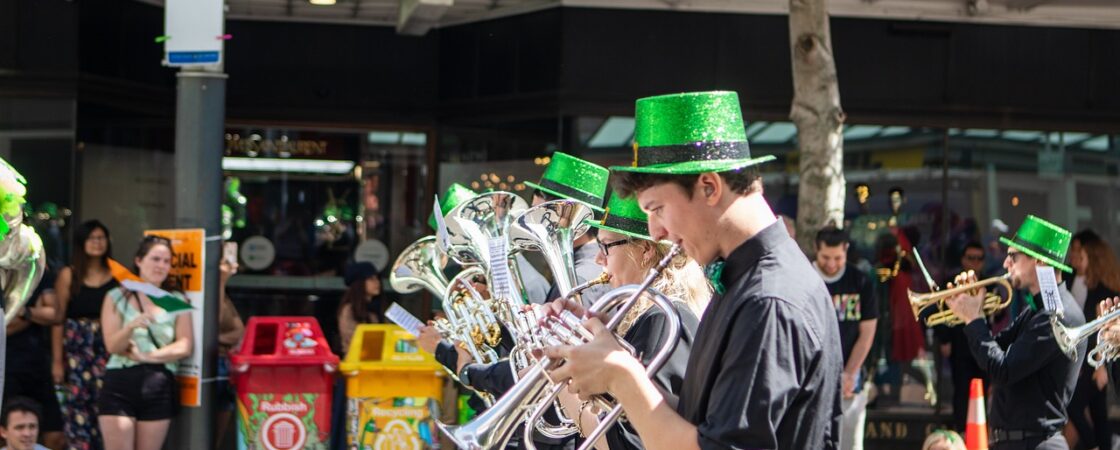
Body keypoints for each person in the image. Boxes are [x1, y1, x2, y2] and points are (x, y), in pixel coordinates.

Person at [544, 91, 842, 449]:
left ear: (709, 186)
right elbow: (699, 419)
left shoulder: (769, 299)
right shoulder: (745, 280)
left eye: (657, 209)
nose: (656, 232)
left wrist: (622, 376)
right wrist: (610, 359)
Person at [551, 192, 709, 450]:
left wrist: (555, 377)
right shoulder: (642, 316)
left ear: (645, 250)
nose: (598, 259)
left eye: (606, 246)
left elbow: (628, 442)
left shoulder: (662, 320)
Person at [946, 215, 1085, 449]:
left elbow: (1002, 370)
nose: (1005, 264)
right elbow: (994, 351)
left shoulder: (1056, 315)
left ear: (1040, 263)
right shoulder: (1037, 310)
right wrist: (968, 308)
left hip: (1034, 442)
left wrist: (973, 319)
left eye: (1013, 256)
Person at [98, 235, 194, 450]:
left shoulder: (176, 299)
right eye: (155, 259)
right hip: (120, 380)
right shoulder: (116, 296)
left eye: (166, 261)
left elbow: (185, 345)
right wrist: (130, 327)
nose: (161, 266)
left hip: (158, 382)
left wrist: (146, 356)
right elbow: (112, 346)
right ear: (139, 261)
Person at [51, 220, 117, 450]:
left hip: (107, 344)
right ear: (82, 242)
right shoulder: (69, 275)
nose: (97, 243)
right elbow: (58, 319)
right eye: (92, 238)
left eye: (101, 238)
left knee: (107, 403)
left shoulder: (117, 273)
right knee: (78, 404)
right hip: (77, 347)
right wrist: (57, 361)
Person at [813, 227, 877, 450]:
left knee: (849, 442)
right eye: (825, 258)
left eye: (838, 258)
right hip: (811, 379)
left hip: (850, 378)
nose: (831, 264)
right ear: (816, 251)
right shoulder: (805, 278)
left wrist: (849, 373)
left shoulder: (860, 281)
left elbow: (867, 332)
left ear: (846, 251)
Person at [1064, 230, 1116, 450]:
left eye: (1079, 251)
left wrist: (1101, 365)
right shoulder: (1067, 279)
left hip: (1094, 361)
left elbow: (1102, 330)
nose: (1074, 255)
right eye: (1073, 250)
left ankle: (1095, 445)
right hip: (1076, 356)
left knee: (1077, 407)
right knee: (1098, 411)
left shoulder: (1103, 290)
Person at [935, 241, 991, 432]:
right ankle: (961, 430)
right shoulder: (952, 284)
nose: (975, 262)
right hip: (960, 344)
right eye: (971, 258)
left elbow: (997, 314)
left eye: (979, 259)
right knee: (961, 390)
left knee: (983, 388)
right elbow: (941, 313)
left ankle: (980, 432)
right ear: (962, 260)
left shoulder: (988, 284)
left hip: (983, 344)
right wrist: (944, 339)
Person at [4, 271, 64, 450]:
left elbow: (55, 314)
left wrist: (22, 311)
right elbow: (3, 328)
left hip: (37, 365)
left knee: (55, 436)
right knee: (7, 433)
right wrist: (34, 315)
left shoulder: (35, 273)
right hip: (6, 368)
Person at [214, 247, 245, 448]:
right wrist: (221, 280)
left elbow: (240, 331)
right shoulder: (211, 290)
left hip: (225, 363)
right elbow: (211, 322)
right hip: (211, 364)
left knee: (217, 436)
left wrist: (217, 338)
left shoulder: (225, 295)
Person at [337, 261, 386, 355]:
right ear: (359, 283)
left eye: (377, 278)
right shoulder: (349, 310)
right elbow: (353, 340)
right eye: (371, 279)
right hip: (357, 363)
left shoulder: (379, 308)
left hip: (381, 362)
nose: (377, 282)